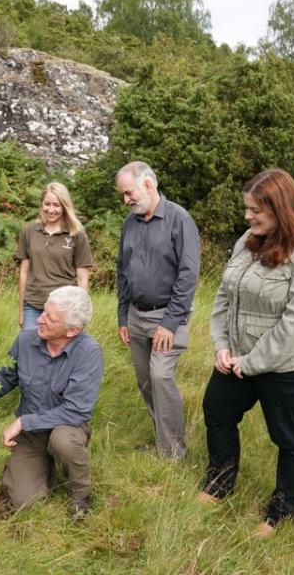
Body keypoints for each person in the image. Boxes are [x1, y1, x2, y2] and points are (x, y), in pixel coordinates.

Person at [199, 168, 294, 538]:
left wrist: (253, 362)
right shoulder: (248, 240)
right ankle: (220, 484)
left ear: (280, 208)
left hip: (291, 367)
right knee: (217, 411)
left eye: (254, 210)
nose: (247, 217)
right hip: (238, 357)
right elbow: (225, 296)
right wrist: (222, 345)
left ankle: (283, 511)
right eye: (246, 209)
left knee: (291, 440)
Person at [0, 286, 103, 520]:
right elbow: (6, 376)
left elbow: (76, 411)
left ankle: (80, 495)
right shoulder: (26, 339)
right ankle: (41, 470)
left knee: (63, 442)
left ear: (72, 330)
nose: (39, 319)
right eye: (43, 312)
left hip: (68, 427)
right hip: (31, 434)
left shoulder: (89, 353)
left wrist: (23, 422)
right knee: (25, 503)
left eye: (50, 318)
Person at [115, 161, 200, 460]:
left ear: (148, 185)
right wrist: (122, 315)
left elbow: (188, 275)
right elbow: (122, 271)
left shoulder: (179, 219)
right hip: (136, 317)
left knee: (161, 377)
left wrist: (170, 322)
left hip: (167, 318)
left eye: (128, 193)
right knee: (146, 381)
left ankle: (174, 453)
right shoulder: (130, 223)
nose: (126, 200)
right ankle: (162, 440)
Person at [16, 182, 93, 330]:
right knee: (31, 350)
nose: (51, 210)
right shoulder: (29, 231)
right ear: (41, 204)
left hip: (64, 309)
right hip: (33, 306)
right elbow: (23, 273)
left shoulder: (77, 234)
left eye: (57, 205)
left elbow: (82, 279)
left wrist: (79, 315)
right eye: (47, 204)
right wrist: (21, 311)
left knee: (59, 351)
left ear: (65, 206)